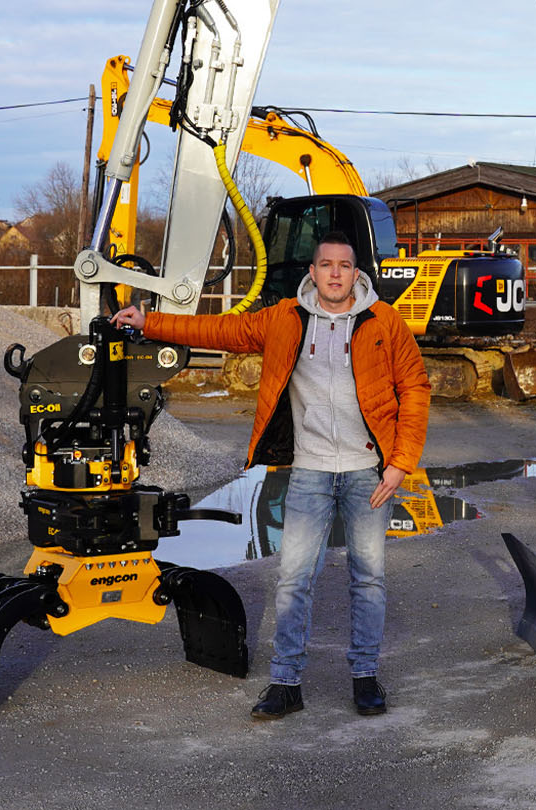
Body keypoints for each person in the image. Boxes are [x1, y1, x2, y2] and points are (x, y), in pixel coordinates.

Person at [113, 231, 431, 721]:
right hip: (308, 470)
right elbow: (221, 332)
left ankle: (365, 677)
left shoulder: (385, 322)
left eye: (344, 266)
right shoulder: (284, 318)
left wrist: (400, 462)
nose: (334, 274)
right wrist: (149, 320)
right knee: (292, 579)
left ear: (356, 273)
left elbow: (414, 387)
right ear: (313, 271)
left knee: (368, 578)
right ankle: (286, 683)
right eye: (326, 265)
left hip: (370, 471)